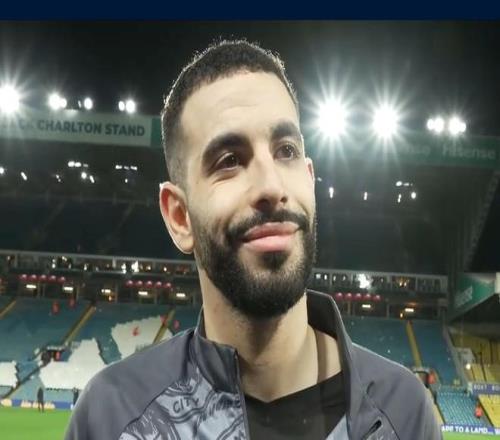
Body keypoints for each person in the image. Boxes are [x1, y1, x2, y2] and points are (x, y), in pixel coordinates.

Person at [65, 40, 442, 439]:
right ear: (179, 216)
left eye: (286, 151)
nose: (271, 186)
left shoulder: (403, 413)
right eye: (229, 161)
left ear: (310, 180)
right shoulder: (112, 416)